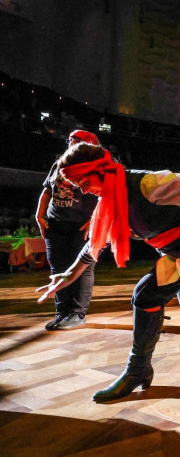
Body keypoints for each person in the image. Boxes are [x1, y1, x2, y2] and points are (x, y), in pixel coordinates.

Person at [36, 143, 180, 403]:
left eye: (83, 181)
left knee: (146, 296)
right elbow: (95, 242)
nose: (82, 190)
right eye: (77, 185)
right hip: (175, 250)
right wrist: (68, 275)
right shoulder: (109, 199)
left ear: (102, 170)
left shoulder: (147, 184)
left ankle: (137, 369)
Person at [35, 130, 100, 330]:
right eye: (70, 140)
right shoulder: (60, 164)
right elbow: (48, 188)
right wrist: (39, 213)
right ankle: (62, 312)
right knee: (58, 267)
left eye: (76, 141)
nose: (70, 144)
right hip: (56, 223)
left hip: (81, 226)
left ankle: (77, 313)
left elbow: (103, 194)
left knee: (83, 268)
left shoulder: (95, 167)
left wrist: (94, 219)